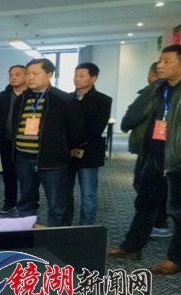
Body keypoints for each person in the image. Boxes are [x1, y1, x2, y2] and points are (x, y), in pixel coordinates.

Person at [109, 44, 181, 275]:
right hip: (155, 156)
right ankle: (131, 247)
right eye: (160, 60)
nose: (160, 65)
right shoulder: (159, 89)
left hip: (177, 161)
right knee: (144, 204)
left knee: (177, 212)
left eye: (167, 61)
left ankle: (175, 259)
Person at [12, 58, 82, 227]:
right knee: (26, 201)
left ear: (49, 74)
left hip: (52, 161)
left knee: (57, 204)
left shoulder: (64, 100)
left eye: (35, 74)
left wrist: (63, 148)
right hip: (23, 158)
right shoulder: (22, 99)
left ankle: (56, 238)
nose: (30, 77)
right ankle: (27, 233)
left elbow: (75, 131)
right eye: (28, 73)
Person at [121, 62, 171, 237]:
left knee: (145, 187)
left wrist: (125, 125)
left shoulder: (153, 90)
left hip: (150, 147)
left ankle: (156, 223)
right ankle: (159, 221)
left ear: (152, 74)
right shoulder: (166, 91)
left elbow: (133, 115)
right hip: (160, 147)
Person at [64, 63, 112, 225]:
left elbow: (96, 128)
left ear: (93, 78)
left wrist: (76, 143)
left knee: (88, 194)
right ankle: (65, 226)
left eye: (81, 76)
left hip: (89, 152)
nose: (76, 79)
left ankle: (86, 228)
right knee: (65, 192)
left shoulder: (103, 100)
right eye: (75, 75)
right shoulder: (66, 99)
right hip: (66, 153)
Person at [0, 65, 27, 215]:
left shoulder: (32, 96)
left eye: (17, 74)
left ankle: (29, 203)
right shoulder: (2, 96)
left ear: (26, 76)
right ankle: (9, 202)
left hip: (26, 144)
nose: (13, 77)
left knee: (27, 177)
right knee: (8, 175)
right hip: (6, 142)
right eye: (11, 75)